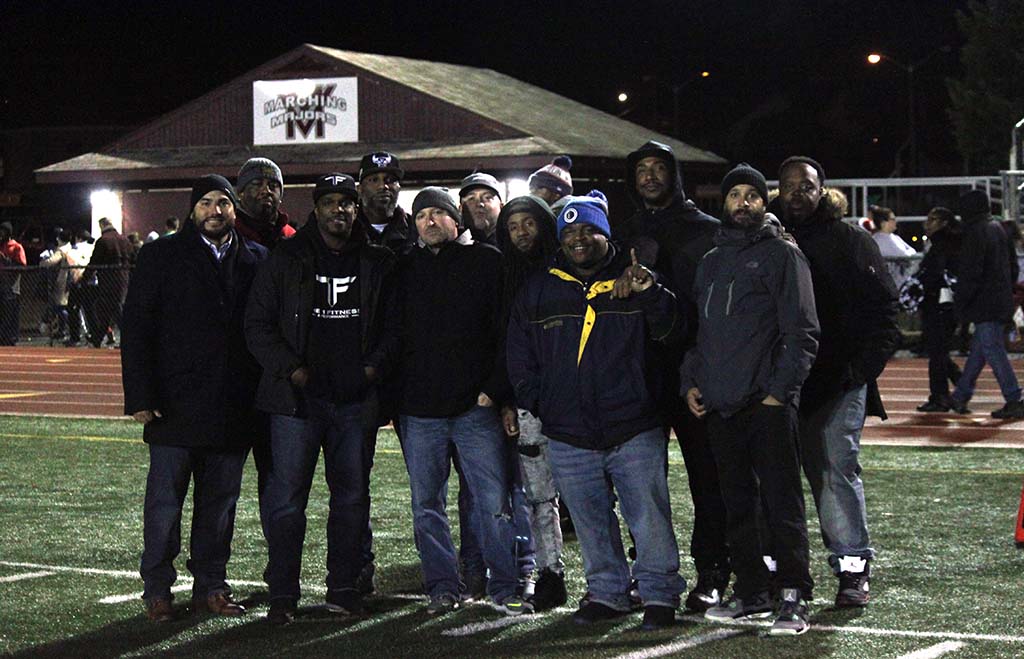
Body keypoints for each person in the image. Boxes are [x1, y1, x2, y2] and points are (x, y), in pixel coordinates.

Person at [507, 190, 687, 630]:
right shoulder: (539, 287)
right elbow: (519, 353)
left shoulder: (636, 278)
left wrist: (652, 295)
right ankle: (608, 593)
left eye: (589, 230)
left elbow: (672, 334)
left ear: (607, 235)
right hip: (568, 429)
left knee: (648, 516)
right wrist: (540, 401)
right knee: (590, 520)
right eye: (570, 232)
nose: (579, 239)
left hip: (633, 425)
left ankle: (660, 595)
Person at [245, 173, 398, 625]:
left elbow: (395, 327)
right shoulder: (286, 256)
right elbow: (257, 324)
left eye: (347, 203)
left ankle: (344, 588)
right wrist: (292, 370)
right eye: (330, 202)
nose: (339, 210)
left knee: (351, 498)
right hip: (297, 402)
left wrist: (371, 370)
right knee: (288, 499)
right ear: (316, 209)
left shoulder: (379, 260)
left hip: (355, 401)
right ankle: (283, 594)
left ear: (356, 209)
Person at [121, 174, 268, 623]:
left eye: (222, 202)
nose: (214, 211)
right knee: (164, 506)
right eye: (205, 202)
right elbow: (137, 327)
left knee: (219, 507)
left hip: (231, 406)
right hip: (174, 405)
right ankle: (158, 590)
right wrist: (141, 395)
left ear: (234, 208)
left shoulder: (257, 258)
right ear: (192, 209)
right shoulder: (161, 254)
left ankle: (211, 586)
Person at [681, 164, 818, 636]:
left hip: (766, 405)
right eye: (734, 195)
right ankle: (753, 592)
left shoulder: (783, 255)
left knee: (782, 504)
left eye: (751, 196)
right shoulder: (711, 261)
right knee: (736, 503)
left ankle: (794, 594)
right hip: (721, 404)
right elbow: (702, 334)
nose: (743, 202)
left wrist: (780, 394)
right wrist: (691, 381)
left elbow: (801, 332)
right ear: (725, 203)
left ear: (765, 202)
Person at [770, 155, 899, 608]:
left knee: (834, 469)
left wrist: (858, 371)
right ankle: (777, 570)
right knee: (775, 478)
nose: (797, 194)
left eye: (806, 185)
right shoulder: (764, 240)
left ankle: (851, 567)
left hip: (838, 381)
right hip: (780, 384)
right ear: (777, 191)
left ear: (822, 190)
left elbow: (885, 313)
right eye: (789, 186)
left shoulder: (851, 240)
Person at [396, 187, 527, 617]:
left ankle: (505, 584)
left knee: (493, 502)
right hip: (421, 412)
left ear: (457, 220)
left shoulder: (487, 263)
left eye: (438, 214)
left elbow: (504, 329)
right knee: (426, 505)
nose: (429, 222)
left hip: (475, 408)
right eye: (421, 216)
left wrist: (494, 388)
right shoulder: (404, 268)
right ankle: (442, 586)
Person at [615, 140, 730, 612]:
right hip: (639, 375)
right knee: (641, 483)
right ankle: (650, 570)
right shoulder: (621, 233)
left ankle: (713, 572)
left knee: (708, 477)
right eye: (641, 168)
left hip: (692, 373)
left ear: (673, 174)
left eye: (658, 167)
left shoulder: (707, 231)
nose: (649, 176)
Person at [494, 194, 567, 611]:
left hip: (577, 400)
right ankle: (550, 574)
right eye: (513, 225)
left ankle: (609, 579)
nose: (522, 233)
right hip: (528, 404)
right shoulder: (503, 276)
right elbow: (503, 345)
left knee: (595, 495)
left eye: (529, 224)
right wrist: (507, 399)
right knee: (539, 496)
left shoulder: (568, 269)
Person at [949, 190, 1024, 418]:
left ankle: (1014, 398)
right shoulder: (998, 229)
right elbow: (1013, 266)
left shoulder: (975, 232)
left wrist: (961, 301)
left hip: (984, 302)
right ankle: (960, 395)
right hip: (1000, 299)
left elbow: (972, 272)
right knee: (981, 350)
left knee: (991, 350)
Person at [915, 208, 964, 412]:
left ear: (944, 222)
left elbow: (935, 274)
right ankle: (962, 384)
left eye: (932, 219)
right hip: (946, 304)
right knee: (939, 350)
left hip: (940, 304)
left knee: (936, 351)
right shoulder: (948, 242)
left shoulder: (942, 245)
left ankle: (940, 396)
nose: (927, 223)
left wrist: (920, 281)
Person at [356, 151, 416, 255]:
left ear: (399, 187)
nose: (383, 186)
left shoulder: (415, 230)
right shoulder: (347, 230)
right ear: (360, 189)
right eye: (374, 180)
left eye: (390, 180)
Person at [85, 217, 131, 347]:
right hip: (124, 278)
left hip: (107, 279)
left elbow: (95, 262)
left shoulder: (103, 241)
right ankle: (98, 338)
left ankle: (99, 338)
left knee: (110, 310)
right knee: (114, 308)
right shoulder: (124, 240)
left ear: (102, 226)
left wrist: (84, 278)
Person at [235, 157, 296, 249]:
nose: (266, 191)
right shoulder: (229, 234)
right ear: (241, 193)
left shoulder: (291, 236)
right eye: (257, 184)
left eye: (273, 186)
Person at [870, 205, 917, 290]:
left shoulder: (894, 237)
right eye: (893, 219)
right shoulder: (882, 240)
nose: (896, 222)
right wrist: (908, 253)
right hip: (893, 285)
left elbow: (913, 252)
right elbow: (906, 256)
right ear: (883, 223)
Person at [0, 222, 26, 345]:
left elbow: (22, 266)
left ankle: (11, 338)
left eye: (3, 231)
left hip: (11, 285)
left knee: (10, 313)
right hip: (1, 284)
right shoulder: (1, 245)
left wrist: (6, 260)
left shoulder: (16, 247)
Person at [460, 172, 503, 245]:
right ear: (460, 208)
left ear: (501, 206)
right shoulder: (454, 251)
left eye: (487, 197)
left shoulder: (515, 243)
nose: (479, 204)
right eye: (471, 198)